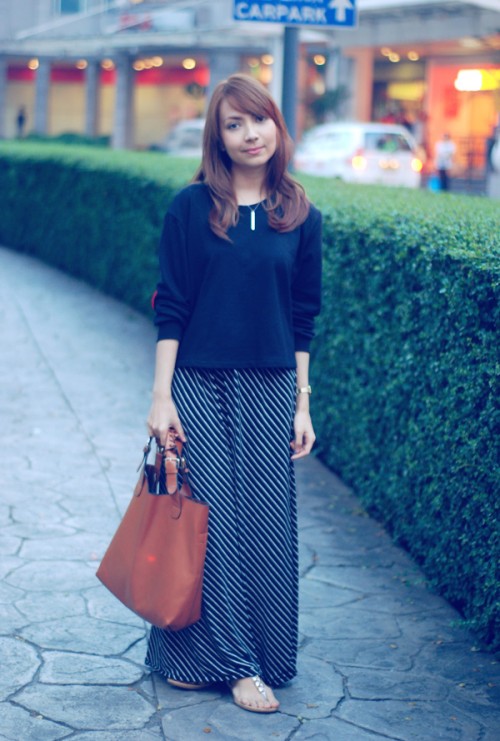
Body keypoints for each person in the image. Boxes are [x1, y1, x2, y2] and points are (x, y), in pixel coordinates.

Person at [146, 73, 322, 714]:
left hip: (271, 388)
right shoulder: (191, 208)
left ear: (278, 125)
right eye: (234, 124)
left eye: (260, 120)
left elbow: (303, 316)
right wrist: (161, 397)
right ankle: (237, 666)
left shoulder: (301, 215)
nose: (251, 134)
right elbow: (171, 306)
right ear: (217, 138)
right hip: (198, 383)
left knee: (268, 525)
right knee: (211, 523)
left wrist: (302, 403)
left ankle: (253, 656)